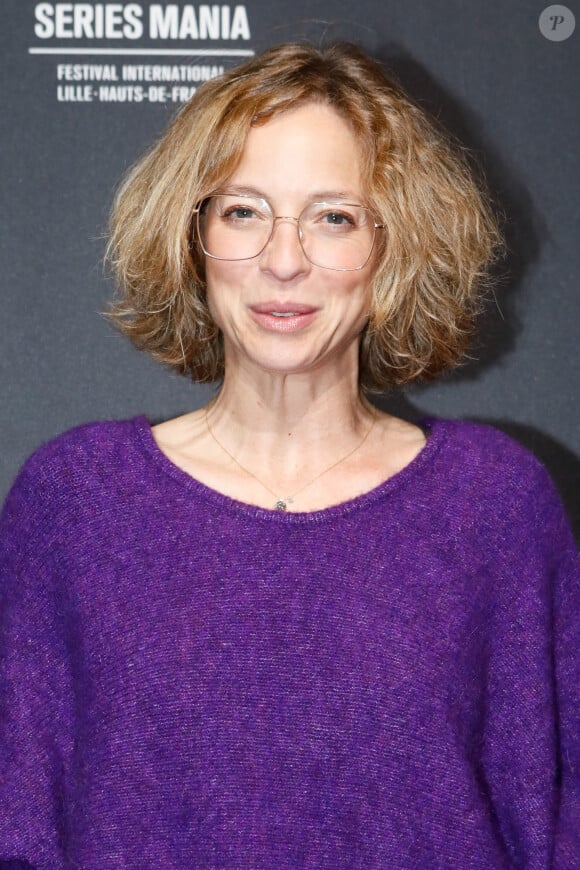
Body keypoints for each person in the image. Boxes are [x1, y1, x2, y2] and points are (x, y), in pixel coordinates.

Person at [0, 42, 578, 869]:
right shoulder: (77, 505)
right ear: (192, 236)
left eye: (332, 217)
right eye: (243, 211)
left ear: (392, 248)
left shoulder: (496, 507)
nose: (282, 259)